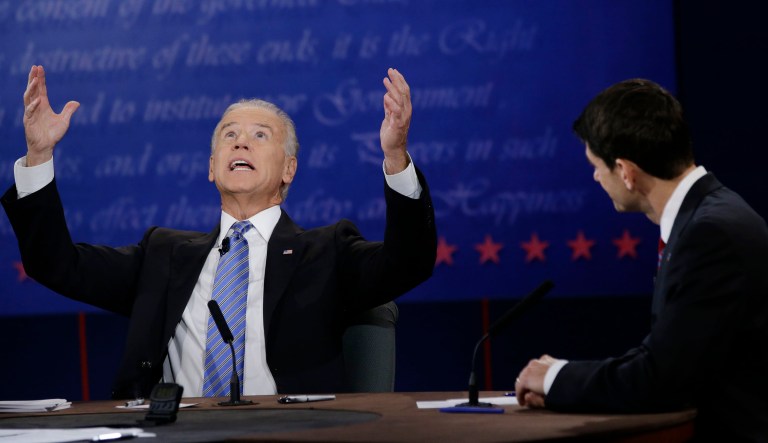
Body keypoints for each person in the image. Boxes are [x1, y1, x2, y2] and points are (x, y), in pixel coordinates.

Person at [2, 65, 437, 399]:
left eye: (259, 135)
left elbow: (408, 263)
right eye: (229, 135)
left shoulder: (325, 251)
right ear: (212, 168)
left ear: (289, 170)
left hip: (293, 435)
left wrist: (396, 158)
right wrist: (39, 155)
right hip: (172, 436)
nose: (240, 143)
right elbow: (56, 265)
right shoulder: (163, 254)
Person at [514, 79, 768, 440]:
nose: (595, 176)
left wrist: (555, 379)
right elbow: (666, 354)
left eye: (596, 165)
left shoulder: (710, 235)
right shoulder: (709, 216)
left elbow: (662, 379)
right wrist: (565, 373)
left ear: (626, 172)